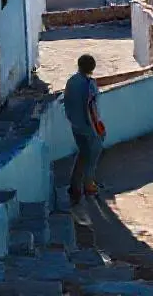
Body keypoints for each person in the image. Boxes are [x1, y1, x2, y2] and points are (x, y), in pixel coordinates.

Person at [64, 54, 106, 204]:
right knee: (92, 156)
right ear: (92, 68)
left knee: (82, 154)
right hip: (88, 127)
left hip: (75, 125)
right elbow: (92, 109)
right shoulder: (89, 84)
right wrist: (99, 128)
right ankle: (89, 185)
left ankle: (74, 186)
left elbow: (66, 104)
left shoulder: (71, 81)